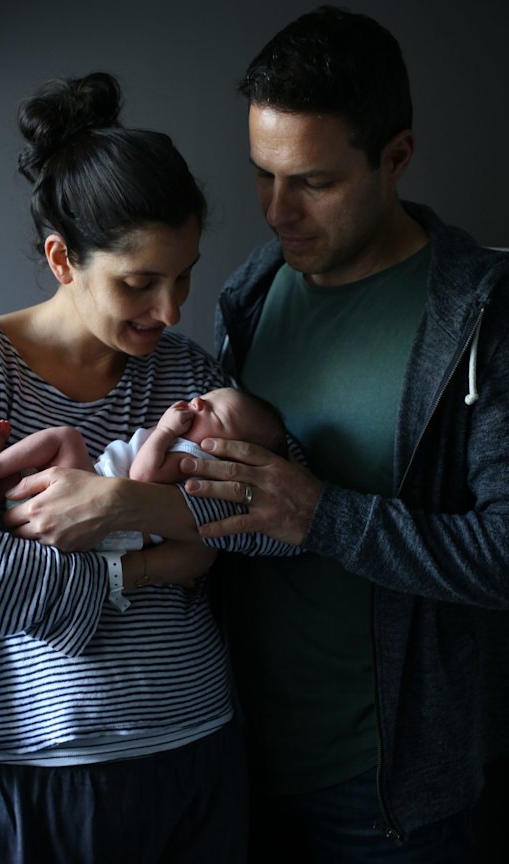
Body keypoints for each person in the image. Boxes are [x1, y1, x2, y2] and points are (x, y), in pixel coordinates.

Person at [167, 6, 509, 863]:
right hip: (239, 757)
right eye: (262, 176)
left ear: (395, 157)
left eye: (313, 182)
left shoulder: (480, 314)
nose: (277, 212)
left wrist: (320, 512)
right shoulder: (251, 290)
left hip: (393, 795)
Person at [0, 71, 267, 864]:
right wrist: (151, 570)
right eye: (139, 283)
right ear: (62, 258)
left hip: (195, 749)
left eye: (183, 275)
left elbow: (278, 525)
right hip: (32, 770)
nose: (173, 309)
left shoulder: (185, 372)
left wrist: (123, 508)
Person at [0, 388, 287, 592]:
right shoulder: (191, 448)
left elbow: (141, 474)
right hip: (91, 510)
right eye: (207, 396)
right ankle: (9, 486)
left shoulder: (194, 457)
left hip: (99, 516)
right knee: (52, 460)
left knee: (67, 439)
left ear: (231, 452)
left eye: (216, 413)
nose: (199, 402)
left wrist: (164, 430)